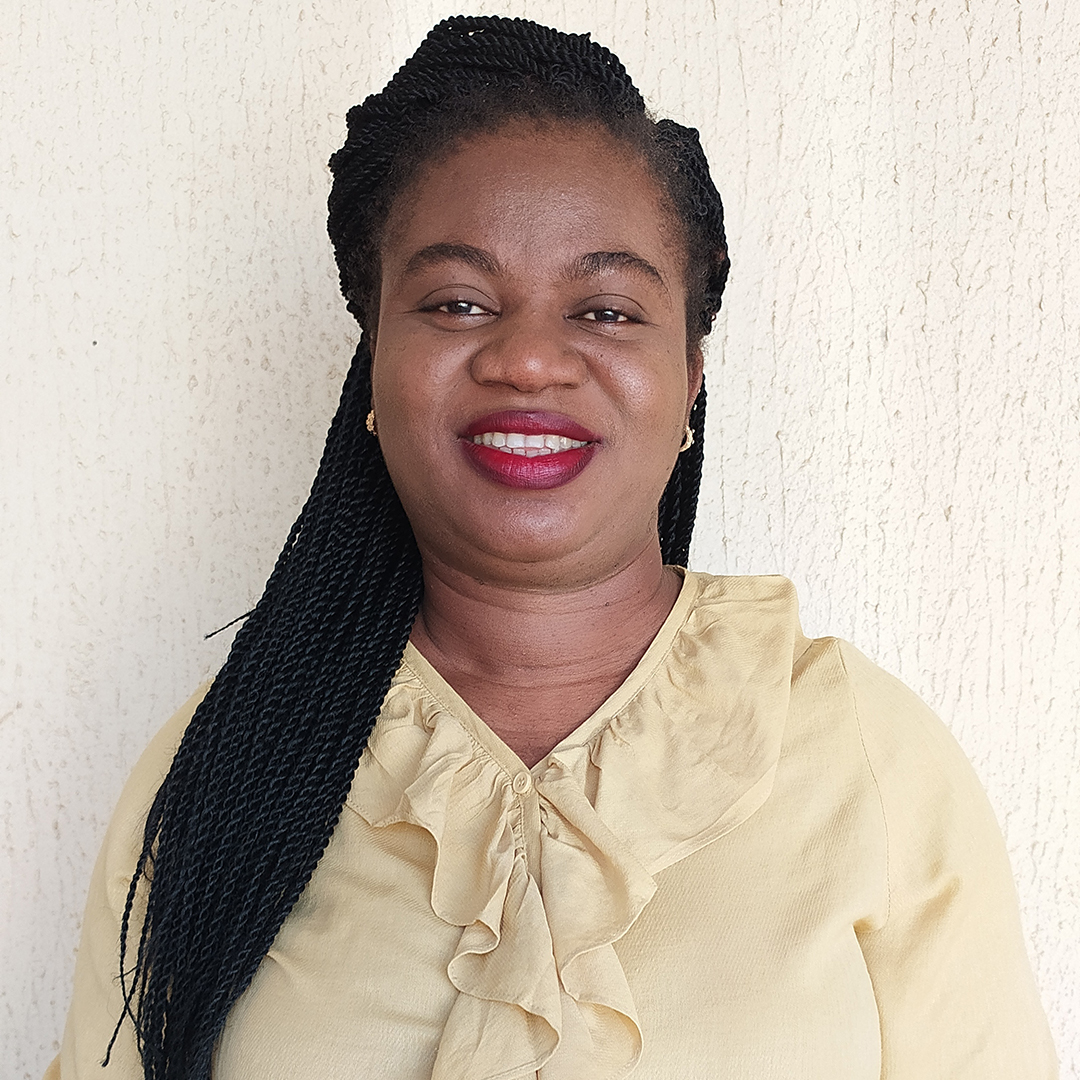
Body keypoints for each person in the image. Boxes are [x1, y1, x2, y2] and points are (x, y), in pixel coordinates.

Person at [47, 14, 1057, 1080]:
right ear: (374, 362)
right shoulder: (226, 768)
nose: (528, 360)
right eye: (457, 302)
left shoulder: (868, 758)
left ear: (691, 378)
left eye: (607, 311)